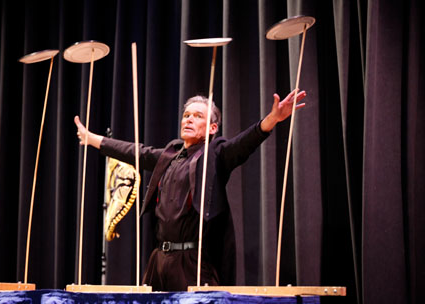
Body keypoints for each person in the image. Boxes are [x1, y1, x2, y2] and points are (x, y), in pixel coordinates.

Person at [74, 89, 306, 291]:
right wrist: (91, 138)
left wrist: (272, 119)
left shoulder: (215, 154)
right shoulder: (169, 155)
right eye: (186, 115)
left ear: (213, 127)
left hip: (192, 263)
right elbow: (135, 151)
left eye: (197, 116)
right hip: (159, 260)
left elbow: (243, 144)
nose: (189, 119)